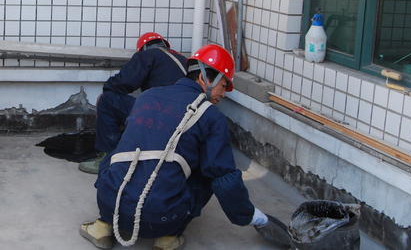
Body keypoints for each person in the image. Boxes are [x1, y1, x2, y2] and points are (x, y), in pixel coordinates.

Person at [79, 44, 269, 250]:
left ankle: (102, 227)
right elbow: (223, 177)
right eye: (223, 86)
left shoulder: (147, 96)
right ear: (206, 78)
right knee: (209, 170)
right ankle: (168, 238)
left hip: (108, 203)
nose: (223, 94)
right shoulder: (212, 117)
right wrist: (250, 216)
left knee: (124, 147)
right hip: (161, 218)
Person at [78, 32, 188, 174]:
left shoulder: (149, 55)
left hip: (160, 117)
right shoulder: (184, 61)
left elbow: (122, 83)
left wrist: (110, 89)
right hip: (184, 122)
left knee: (107, 100)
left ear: (143, 48)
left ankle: (109, 158)